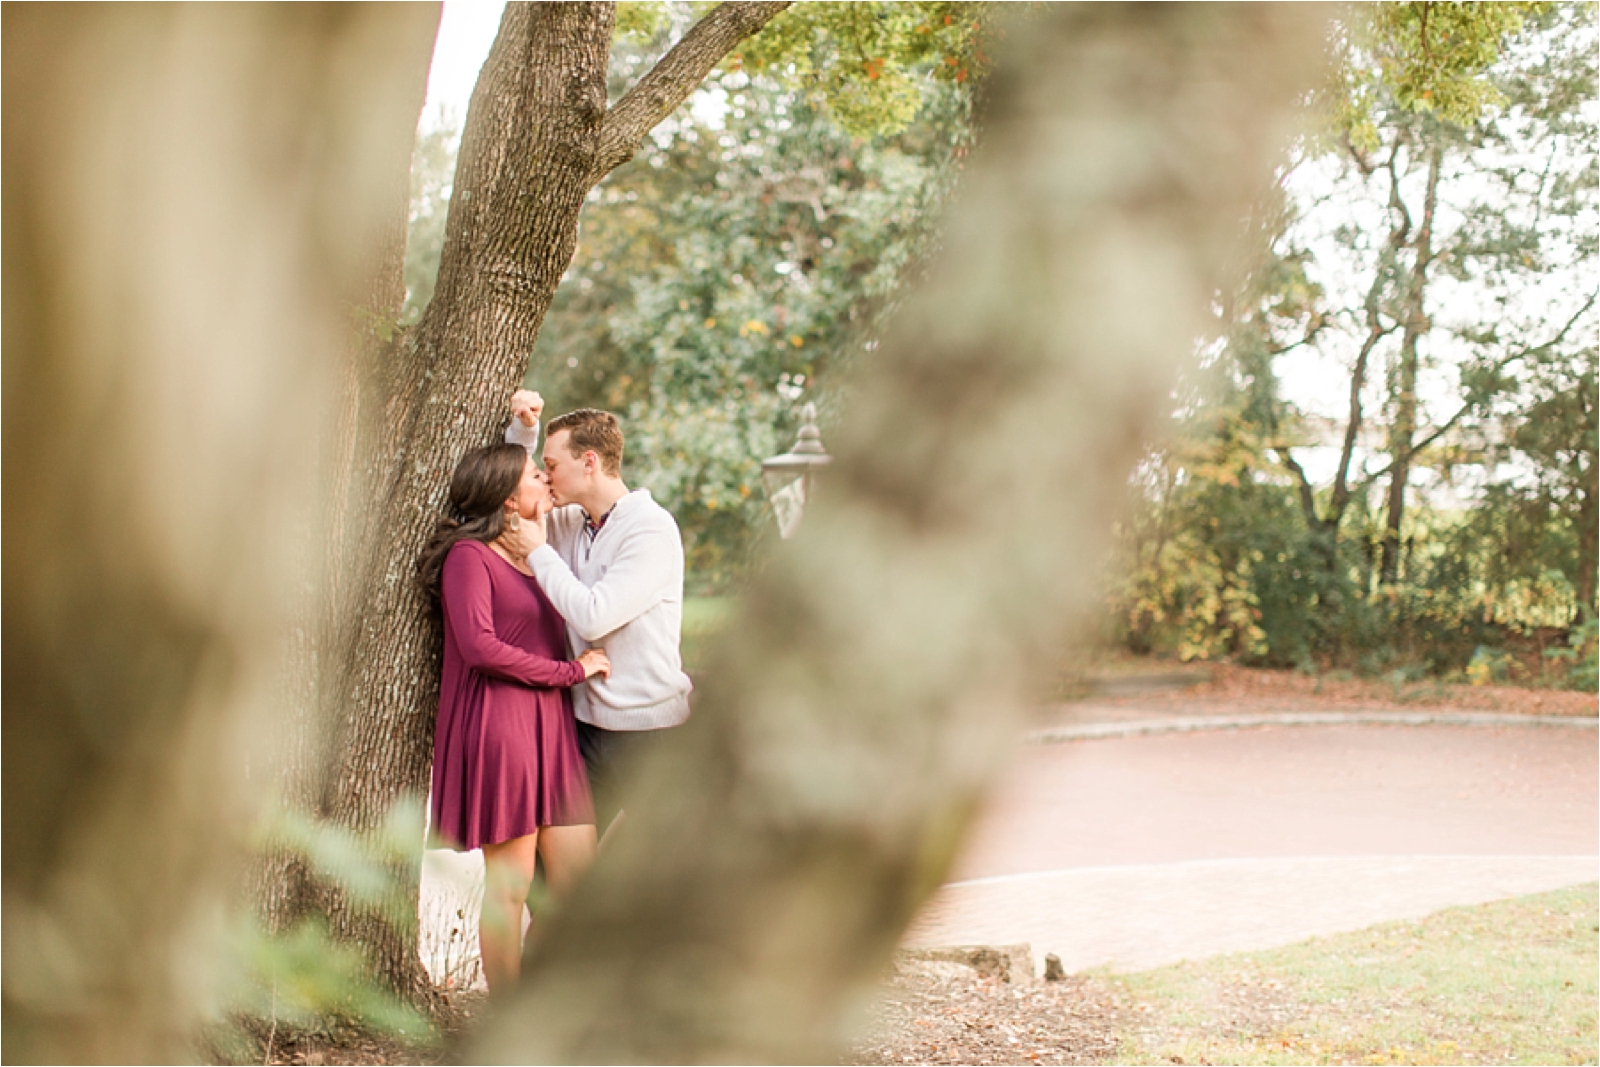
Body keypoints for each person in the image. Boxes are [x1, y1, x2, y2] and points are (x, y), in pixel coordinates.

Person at [416, 443, 611, 995]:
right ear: (507, 497)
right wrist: (571, 672)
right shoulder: (468, 558)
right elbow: (479, 647)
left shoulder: (542, 553)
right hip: (503, 725)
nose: (546, 481)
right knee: (513, 886)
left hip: (553, 730)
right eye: (534, 474)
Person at [503, 390, 691, 836]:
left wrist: (537, 554)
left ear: (589, 462)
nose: (545, 479)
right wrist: (524, 433)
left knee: (660, 869)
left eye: (551, 466)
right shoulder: (568, 521)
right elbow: (505, 489)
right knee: (555, 872)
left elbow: (594, 616)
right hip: (582, 728)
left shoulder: (650, 529)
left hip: (648, 734)